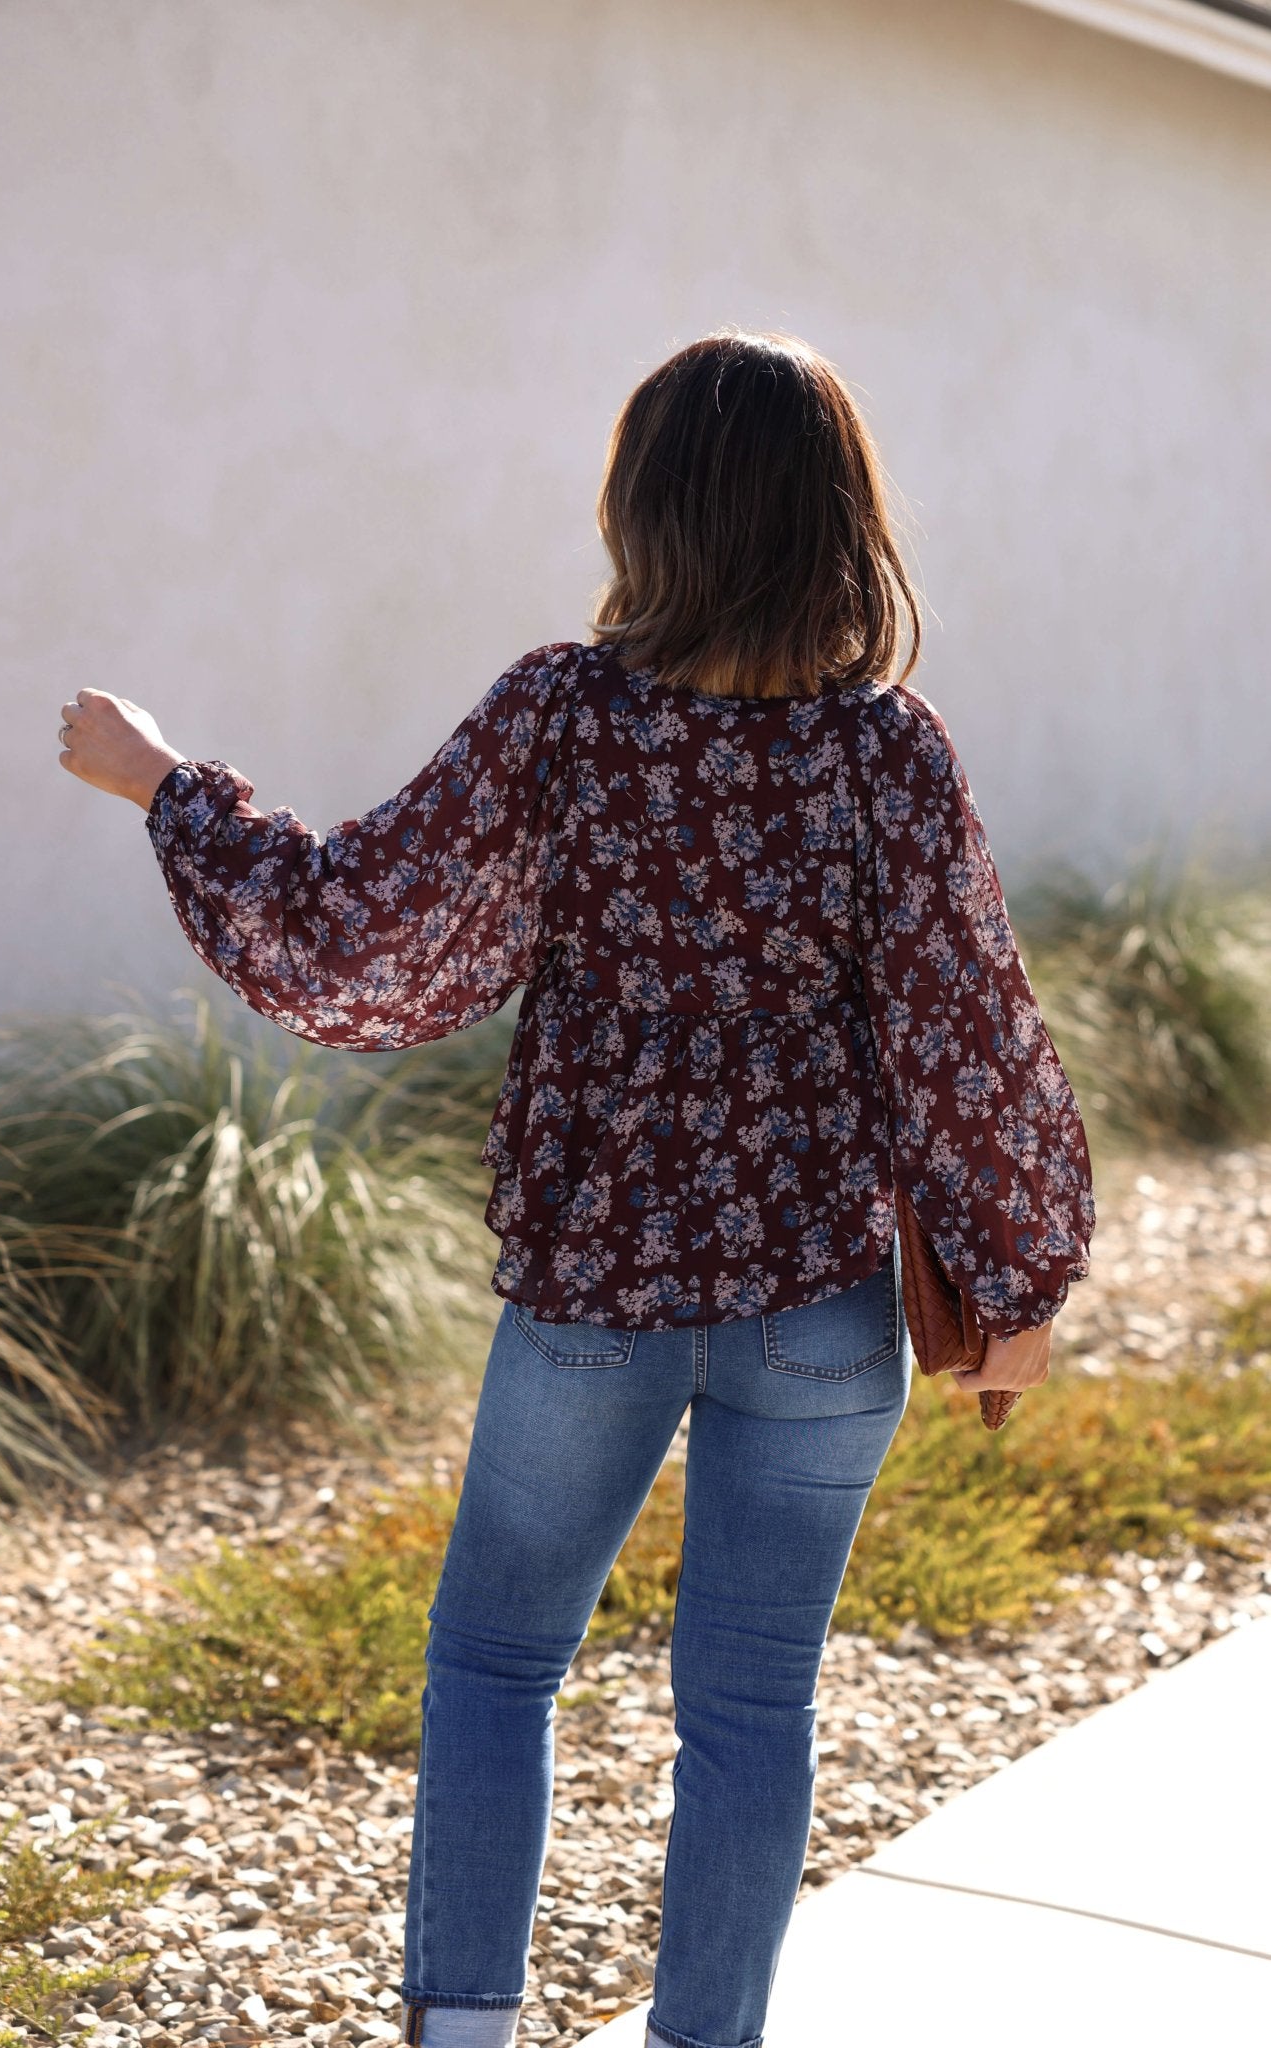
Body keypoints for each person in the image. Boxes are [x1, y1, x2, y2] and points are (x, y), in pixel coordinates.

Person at [58, 329, 1095, 2048]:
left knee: (491, 1671)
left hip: (592, 1303)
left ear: (648, 508)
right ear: (839, 516)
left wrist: (164, 784)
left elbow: (353, 929)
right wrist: (1020, 1285)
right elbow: (967, 1032)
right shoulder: (884, 752)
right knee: (752, 1708)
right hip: (819, 1312)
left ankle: (460, 2032)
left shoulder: (566, 712)